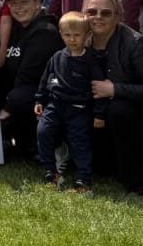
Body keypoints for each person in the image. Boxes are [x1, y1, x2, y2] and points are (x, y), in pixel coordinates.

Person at [83, 0, 143, 195]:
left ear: (118, 16)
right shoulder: (78, 40)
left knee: (119, 110)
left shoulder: (136, 44)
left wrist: (115, 89)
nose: (98, 17)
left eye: (106, 13)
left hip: (136, 114)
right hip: (94, 110)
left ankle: (140, 178)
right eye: (92, 12)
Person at [35, 12, 109, 193]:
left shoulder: (91, 60)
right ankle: (51, 173)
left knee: (79, 142)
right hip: (55, 105)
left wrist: (99, 114)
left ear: (87, 35)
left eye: (77, 35)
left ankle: (83, 180)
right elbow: (46, 79)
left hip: (79, 109)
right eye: (67, 35)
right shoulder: (56, 57)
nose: (72, 39)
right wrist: (39, 99)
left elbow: (98, 88)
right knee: (43, 131)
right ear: (61, 34)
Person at [0, 0, 59, 161]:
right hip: (21, 94)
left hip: (43, 98)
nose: (18, 8)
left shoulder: (45, 32)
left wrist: (7, 109)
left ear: (37, 3)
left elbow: (29, 77)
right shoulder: (17, 28)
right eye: (13, 3)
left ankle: (46, 146)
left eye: (24, 2)